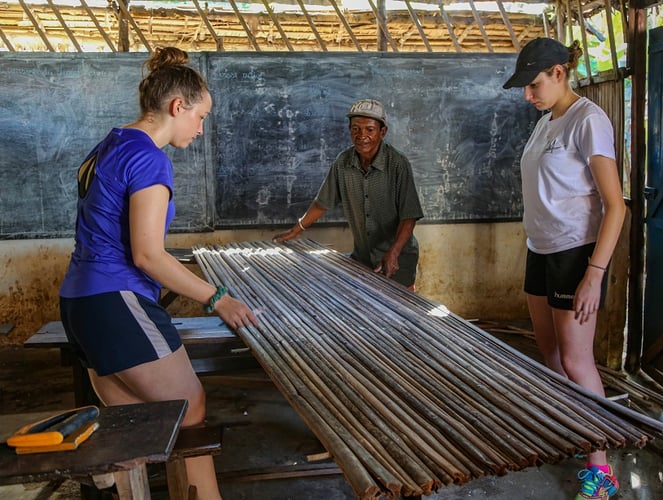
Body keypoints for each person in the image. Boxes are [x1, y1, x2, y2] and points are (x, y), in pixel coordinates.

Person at [59, 47, 257, 500]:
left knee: (140, 430)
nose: (201, 128)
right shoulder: (149, 158)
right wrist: (218, 298)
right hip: (116, 301)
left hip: (79, 303)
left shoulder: (109, 144)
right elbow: (148, 255)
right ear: (176, 107)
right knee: (190, 409)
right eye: (201, 116)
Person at [503, 37, 627, 500]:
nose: (527, 95)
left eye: (534, 85)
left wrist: (594, 274)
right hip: (542, 249)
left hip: (577, 253)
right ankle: (575, 431)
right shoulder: (546, 123)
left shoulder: (588, 120)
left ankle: (601, 471)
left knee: (577, 361)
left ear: (559, 72)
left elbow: (616, 207)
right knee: (551, 356)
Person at [273, 98, 424, 290]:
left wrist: (393, 253)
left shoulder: (398, 165)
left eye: (369, 129)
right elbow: (322, 202)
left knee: (399, 312)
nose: (362, 135)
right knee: (365, 310)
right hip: (362, 257)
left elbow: (409, 215)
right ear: (349, 130)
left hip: (397, 258)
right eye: (356, 129)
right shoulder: (343, 163)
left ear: (382, 132)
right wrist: (296, 230)